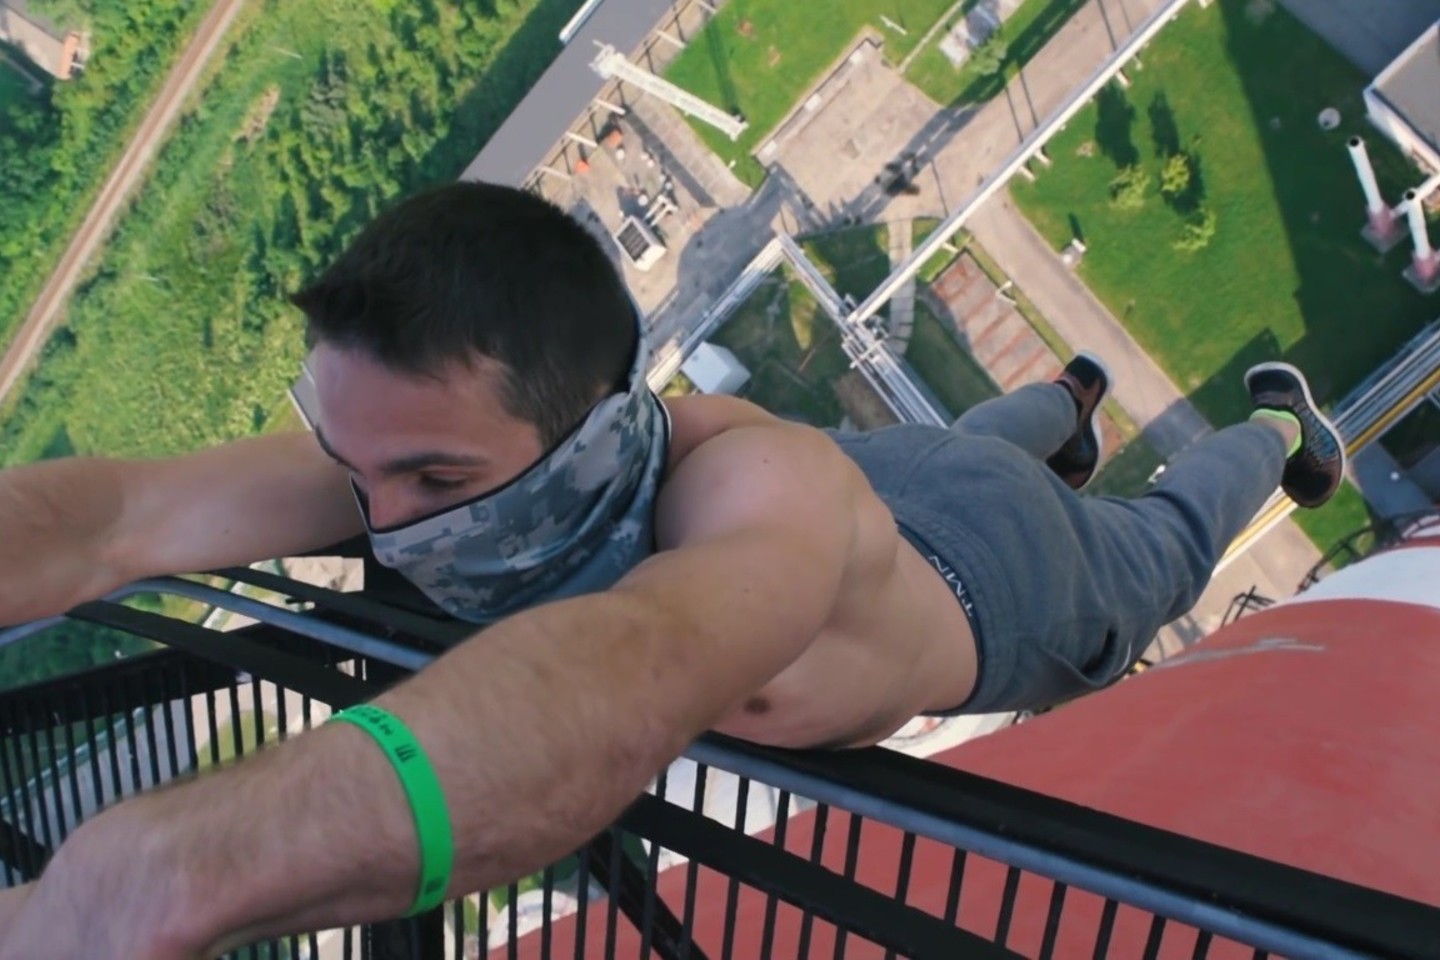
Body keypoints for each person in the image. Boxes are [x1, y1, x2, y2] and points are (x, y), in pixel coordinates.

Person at [0, 182, 1343, 957]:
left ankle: (1279, 434)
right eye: (358, 473)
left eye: (435, 483)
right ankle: (1068, 408)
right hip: (894, 479)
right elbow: (108, 519)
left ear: (589, 427)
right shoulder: (431, 456)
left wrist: (147, 884)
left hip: (999, 581)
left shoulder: (754, 500)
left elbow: (624, 673)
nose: (385, 524)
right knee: (969, 445)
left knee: (1160, 548)